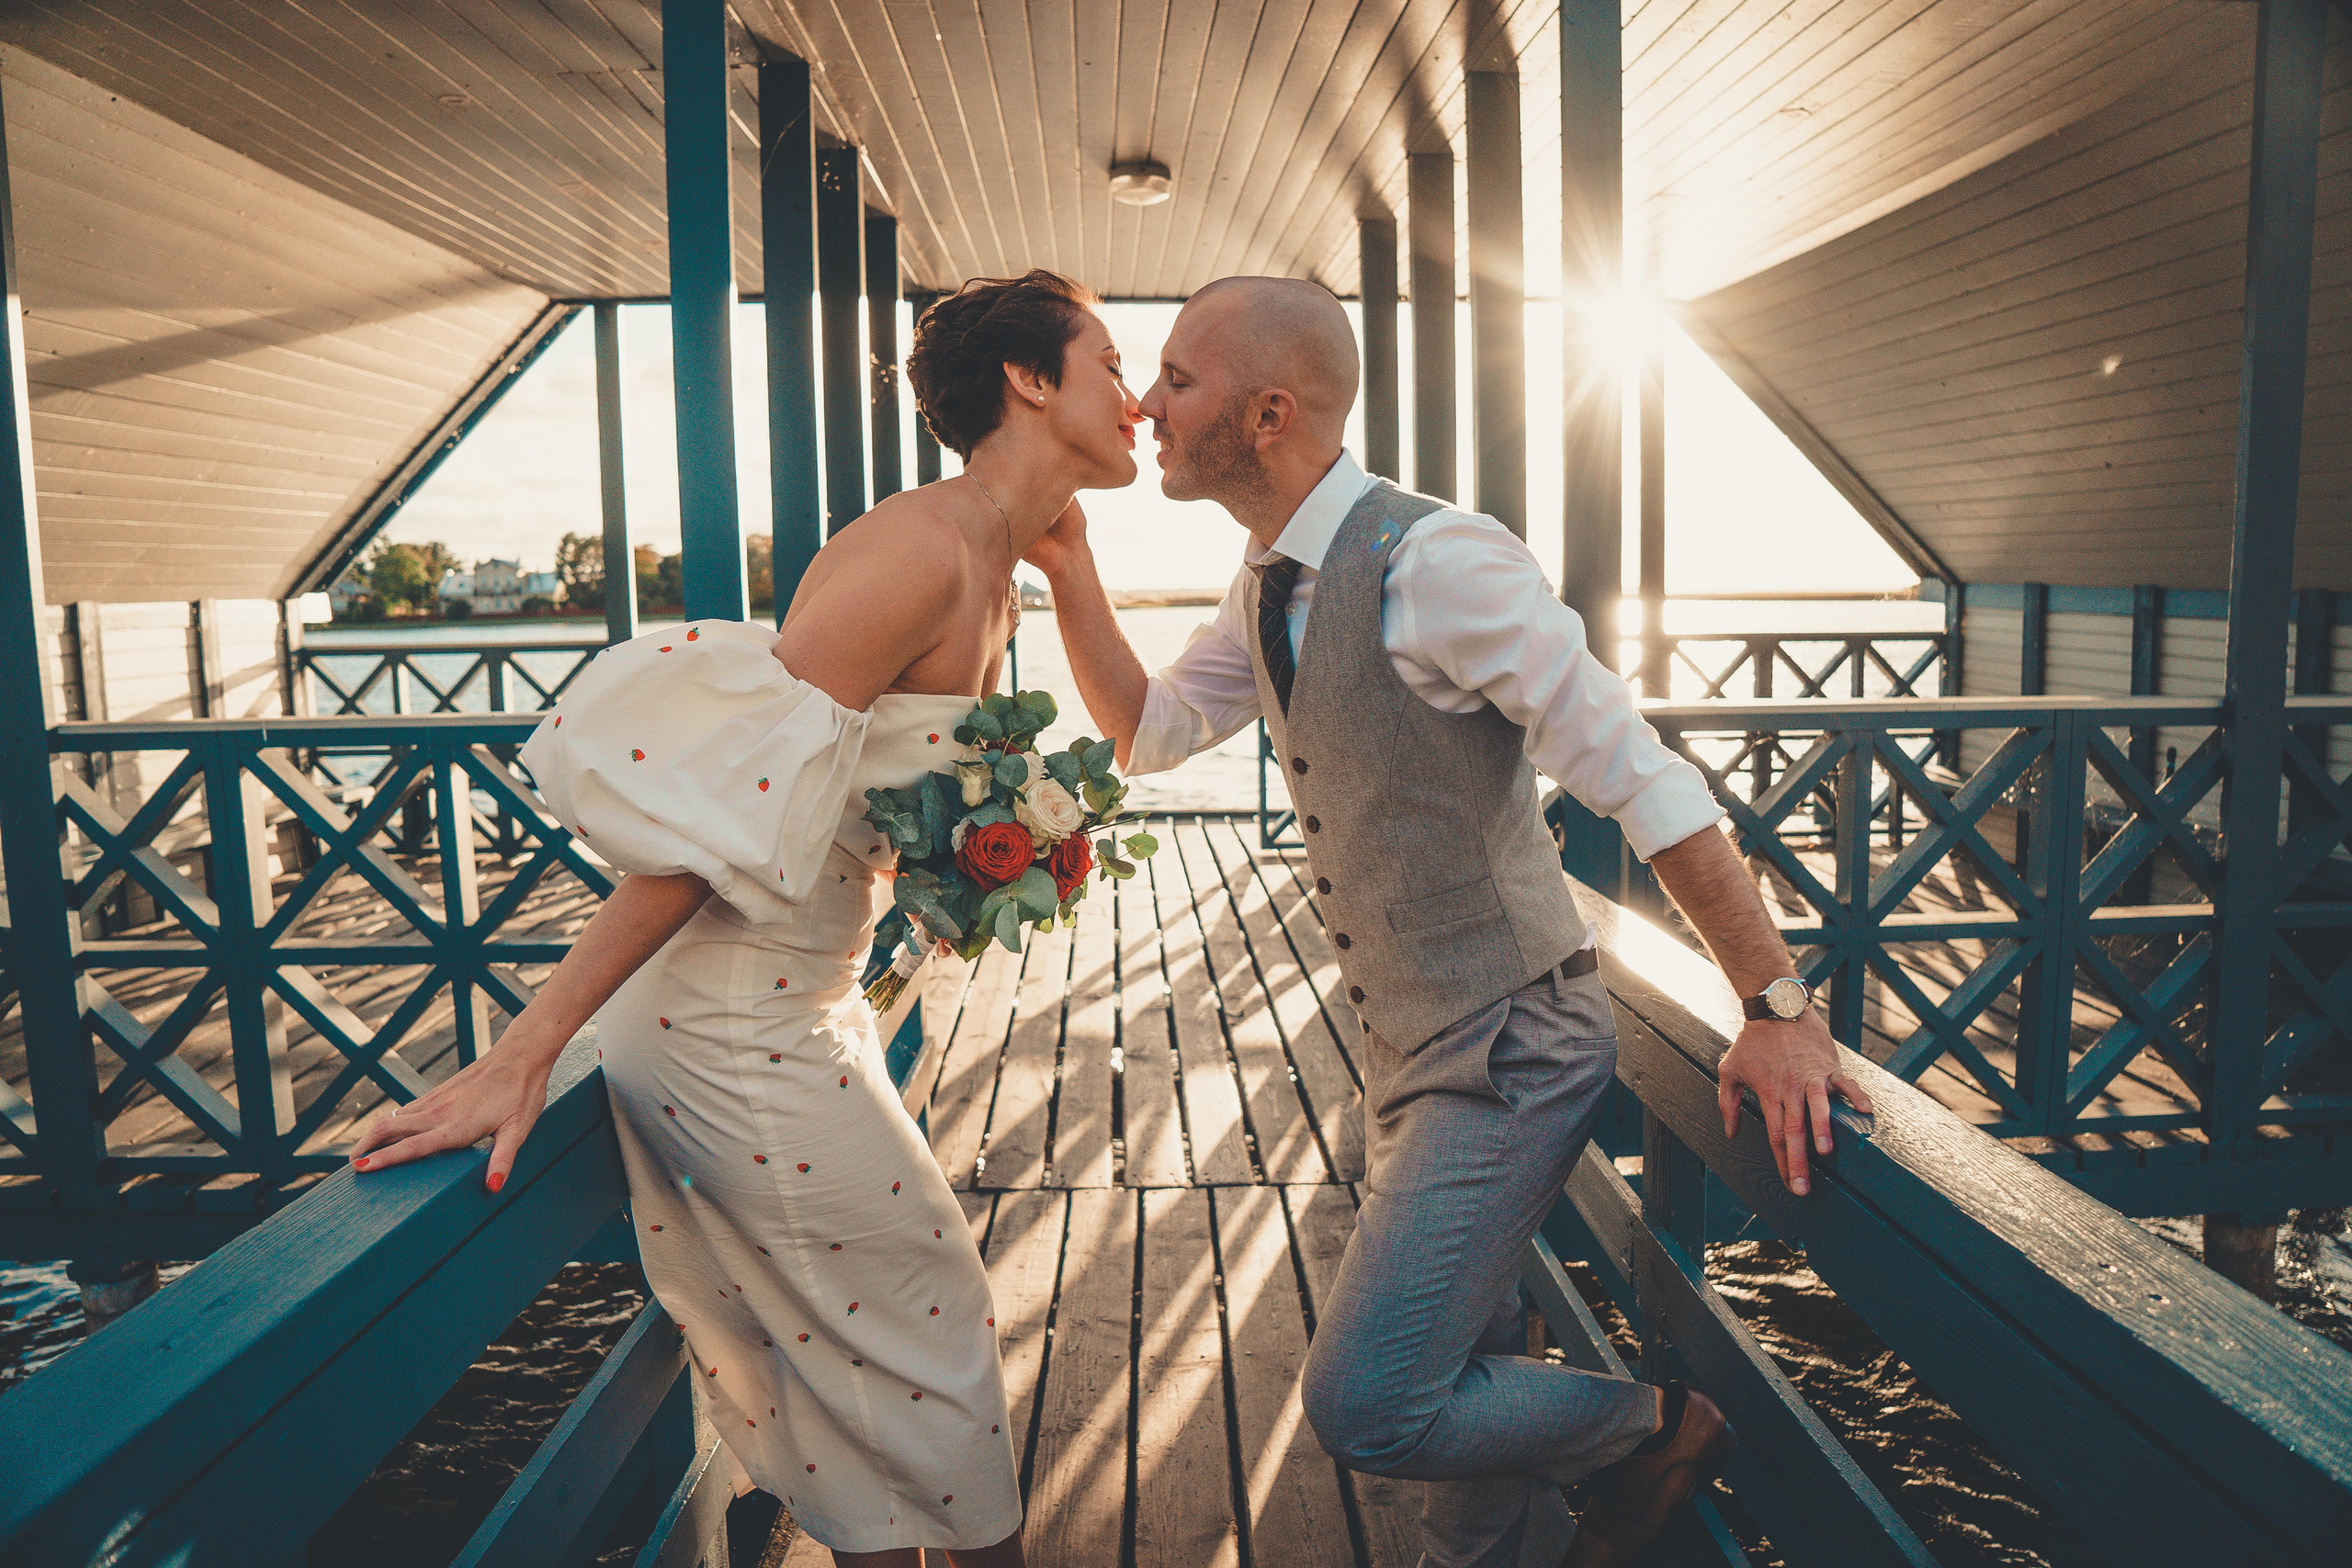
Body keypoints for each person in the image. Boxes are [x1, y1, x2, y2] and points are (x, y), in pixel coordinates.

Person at [1026, 276, 1875, 1568]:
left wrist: (1778, 1009)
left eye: (1178, 381)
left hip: (1511, 1046)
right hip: (1408, 1048)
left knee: (1372, 1400)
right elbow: (1148, 736)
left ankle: (1659, 1425)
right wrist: (1071, 565)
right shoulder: (1270, 580)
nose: (1146, 403)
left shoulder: (1441, 561)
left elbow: (1641, 775)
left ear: (1267, 414)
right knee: (1462, 1372)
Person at [347, 269, 1145, 1568]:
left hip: (805, 992)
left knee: (876, 1334)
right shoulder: (920, 547)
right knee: (927, 1299)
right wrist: (527, 1047)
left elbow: (864, 795)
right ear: (1031, 382)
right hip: (733, 1009)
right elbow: (717, 820)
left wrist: (989, 857)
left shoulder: (996, 554)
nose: (1136, 396)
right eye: (1111, 362)